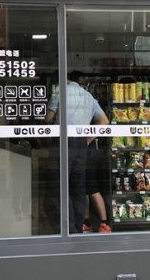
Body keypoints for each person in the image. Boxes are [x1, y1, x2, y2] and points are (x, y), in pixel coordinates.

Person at [46, 71, 109, 233]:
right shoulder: (89, 96)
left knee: (62, 184)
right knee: (78, 186)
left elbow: (48, 118)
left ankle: (68, 227)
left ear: (67, 80)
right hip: (81, 143)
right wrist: (87, 140)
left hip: (63, 141)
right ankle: (78, 225)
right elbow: (104, 121)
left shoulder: (60, 92)